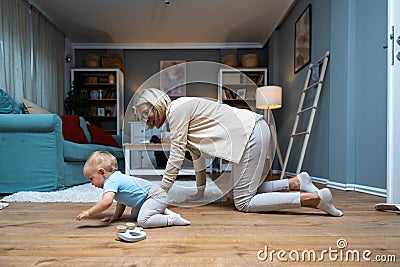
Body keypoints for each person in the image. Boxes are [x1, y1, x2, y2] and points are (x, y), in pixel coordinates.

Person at [133, 88, 343, 217]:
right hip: (252, 132)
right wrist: (200, 192)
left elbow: (177, 155)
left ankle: (315, 198)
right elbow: (197, 157)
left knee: (243, 202)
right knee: (238, 193)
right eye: (142, 116)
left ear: (156, 102)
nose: (146, 119)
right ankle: (296, 182)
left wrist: (161, 191)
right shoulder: (177, 116)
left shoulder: (177, 110)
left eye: (146, 112)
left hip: (250, 134)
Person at [76, 151, 191, 228]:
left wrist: (89, 212)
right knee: (135, 214)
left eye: (91, 179)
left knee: (143, 221)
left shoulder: (111, 181)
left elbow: (106, 202)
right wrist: (116, 216)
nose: (91, 183)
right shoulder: (115, 179)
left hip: (155, 196)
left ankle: (171, 219)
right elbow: (121, 201)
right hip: (149, 198)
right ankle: (163, 210)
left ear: (102, 172)